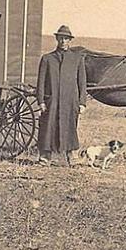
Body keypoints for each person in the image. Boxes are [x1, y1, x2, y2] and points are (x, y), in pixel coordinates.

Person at [36, 25, 87, 166]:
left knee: (70, 127)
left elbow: (82, 83)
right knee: (48, 127)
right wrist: (41, 101)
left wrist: (82, 103)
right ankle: (45, 157)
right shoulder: (47, 59)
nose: (63, 41)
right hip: (52, 101)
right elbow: (40, 82)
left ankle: (72, 156)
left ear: (70, 40)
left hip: (70, 102)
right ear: (57, 39)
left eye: (66, 38)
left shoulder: (77, 59)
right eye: (61, 38)